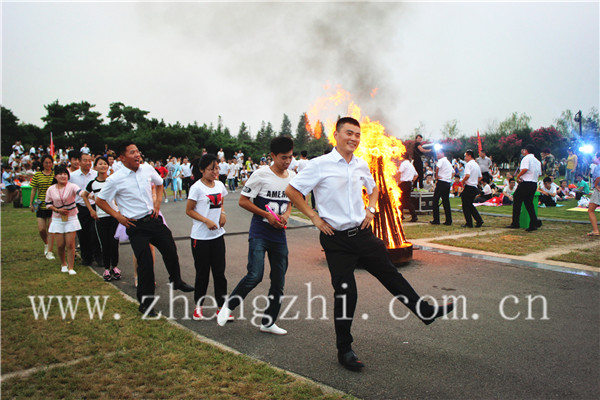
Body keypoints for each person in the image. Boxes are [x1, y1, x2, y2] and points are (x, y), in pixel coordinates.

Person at [285, 117, 454, 371]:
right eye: (349, 133)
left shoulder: (361, 164)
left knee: (392, 276)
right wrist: (314, 218)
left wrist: (371, 210)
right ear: (336, 135)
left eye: (357, 134)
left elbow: (374, 189)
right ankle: (345, 350)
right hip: (336, 239)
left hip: (363, 234)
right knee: (346, 293)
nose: (354, 138)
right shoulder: (318, 165)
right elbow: (292, 191)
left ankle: (425, 311)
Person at [95, 142, 194, 316]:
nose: (137, 155)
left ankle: (176, 280)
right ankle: (146, 304)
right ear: (122, 158)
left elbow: (160, 183)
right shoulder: (115, 179)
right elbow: (100, 200)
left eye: (138, 152)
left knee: (170, 249)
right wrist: (118, 216)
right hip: (135, 226)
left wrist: (157, 203)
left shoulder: (147, 169)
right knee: (146, 263)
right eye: (132, 152)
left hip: (154, 219)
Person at [217, 136, 295, 335]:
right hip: (260, 232)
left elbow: (291, 201)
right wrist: (266, 215)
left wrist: (286, 215)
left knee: (279, 281)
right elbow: (243, 201)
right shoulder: (260, 175)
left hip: (279, 235)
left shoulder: (292, 176)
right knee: (255, 275)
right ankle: (228, 306)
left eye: (290, 157)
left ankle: (268, 323)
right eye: (283, 157)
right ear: (273, 156)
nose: (287, 162)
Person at [186, 154, 229, 320]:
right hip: (200, 238)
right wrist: (206, 220)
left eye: (217, 168)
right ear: (202, 170)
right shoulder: (196, 188)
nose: (215, 172)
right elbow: (189, 210)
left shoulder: (219, 185)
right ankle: (198, 307)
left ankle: (221, 308)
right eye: (212, 169)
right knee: (202, 273)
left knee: (220, 273)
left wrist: (223, 214)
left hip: (218, 236)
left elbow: (221, 202)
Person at [81, 157, 121, 281]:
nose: (103, 166)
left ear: (108, 167)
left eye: (105, 164)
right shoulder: (93, 183)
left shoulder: (112, 181)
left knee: (114, 244)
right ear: (96, 167)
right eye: (100, 164)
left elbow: (120, 195)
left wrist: (119, 209)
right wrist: (91, 210)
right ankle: (106, 269)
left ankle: (115, 267)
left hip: (114, 216)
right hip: (101, 218)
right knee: (105, 244)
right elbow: (84, 195)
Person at [45, 166, 81, 275]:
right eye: (60, 174)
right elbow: (48, 204)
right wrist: (57, 210)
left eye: (65, 174)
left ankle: (71, 267)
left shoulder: (72, 186)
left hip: (71, 217)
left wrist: (87, 195)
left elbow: (80, 192)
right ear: (56, 176)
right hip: (57, 218)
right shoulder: (51, 189)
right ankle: (63, 263)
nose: (63, 176)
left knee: (70, 244)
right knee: (60, 245)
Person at [70, 152, 101, 266]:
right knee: (83, 233)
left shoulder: (95, 174)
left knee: (95, 233)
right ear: (79, 161)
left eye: (89, 160)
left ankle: (98, 257)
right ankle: (86, 258)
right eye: (85, 160)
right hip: (80, 207)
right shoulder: (73, 176)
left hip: (94, 206)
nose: (88, 163)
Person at [506, 144, 541, 232]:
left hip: (525, 183)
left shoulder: (526, 158)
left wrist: (518, 176)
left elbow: (525, 169)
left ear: (526, 151)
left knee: (517, 200)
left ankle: (515, 222)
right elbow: (539, 173)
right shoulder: (537, 161)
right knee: (529, 203)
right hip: (533, 183)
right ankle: (533, 223)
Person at [29, 155, 56, 259]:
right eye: (46, 163)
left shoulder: (55, 174)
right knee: (41, 229)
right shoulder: (37, 175)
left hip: (52, 204)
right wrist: (31, 203)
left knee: (51, 228)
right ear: (42, 163)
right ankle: (46, 243)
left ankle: (49, 250)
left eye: (50, 163)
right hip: (40, 202)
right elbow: (33, 189)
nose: (48, 165)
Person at [460, 150, 484, 228]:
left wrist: (463, 181)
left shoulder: (468, 164)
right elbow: (480, 177)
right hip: (474, 186)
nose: (465, 158)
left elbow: (467, 175)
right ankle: (478, 220)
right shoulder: (476, 165)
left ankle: (469, 222)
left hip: (469, 186)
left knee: (466, 205)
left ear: (469, 156)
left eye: (466, 156)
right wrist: (475, 181)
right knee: (470, 205)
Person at [430, 149, 453, 225]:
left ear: (442, 154)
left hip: (442, 182)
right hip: (447, 182)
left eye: (438, 153)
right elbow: (453, 172)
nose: (437, 155)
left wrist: (436, 176)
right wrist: (449, 178)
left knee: (435, 200)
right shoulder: (448, 162)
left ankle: (436, 220)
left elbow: (437, 168)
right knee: (446, 201)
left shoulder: (441, 160)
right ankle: (448, 220)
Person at [397, 153, 418, 222]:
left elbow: (399, 172)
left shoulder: (404, 164)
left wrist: (398, 182)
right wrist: (412, 181)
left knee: (400, 200)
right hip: (409, 184)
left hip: (403, 183)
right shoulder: (411, 165)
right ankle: (413, 215)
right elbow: (416, 175)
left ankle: (401, 215)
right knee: (407, 200)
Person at [586, 152, 600, 236]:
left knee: (591, 210)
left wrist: (595, 185)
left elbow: (598, 177)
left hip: (598, 189)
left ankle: (595, 230)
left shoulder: (598, 167)